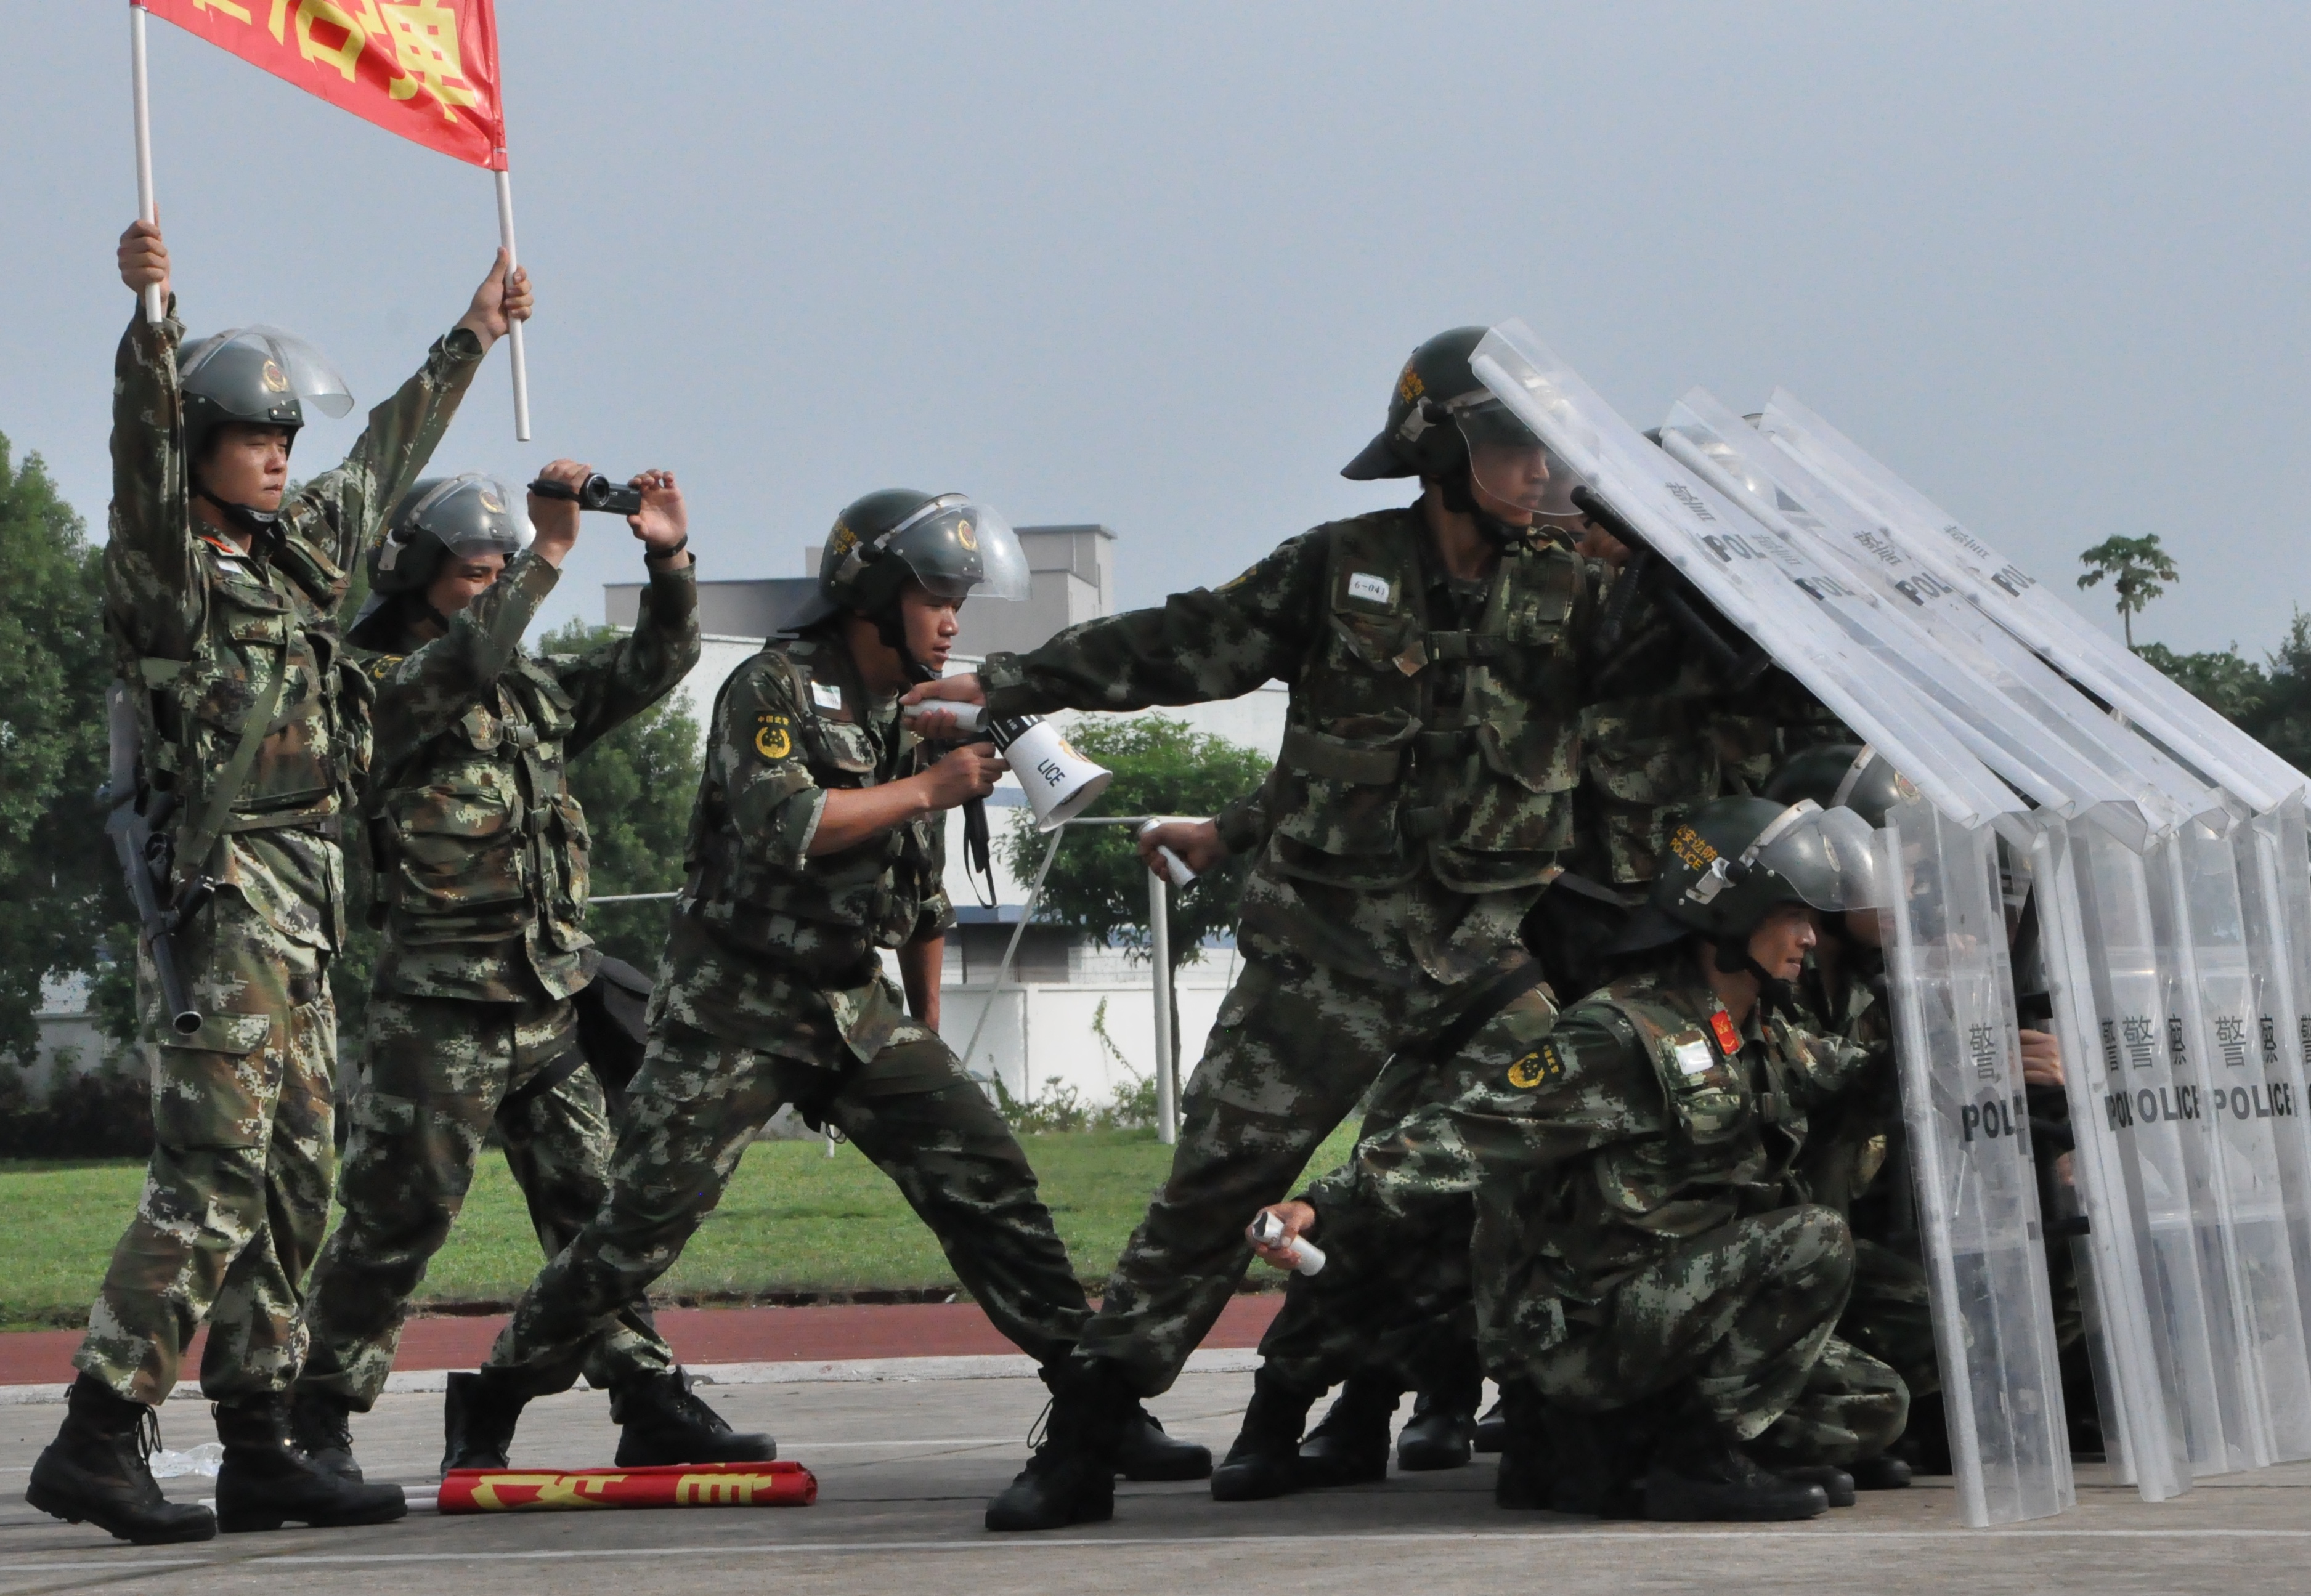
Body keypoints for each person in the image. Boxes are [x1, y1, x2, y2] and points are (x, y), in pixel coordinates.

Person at [906, 327, 1602, 1531]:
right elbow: (1180, 641)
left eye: (1546, 446)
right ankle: (1083, 1436)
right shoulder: (1338, 570)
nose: (1537, 470)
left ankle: (1539, 1411)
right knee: (1212, 1190)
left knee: (1576, 1123)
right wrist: (1017, 682)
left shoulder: (1570, 584)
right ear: (1440, 450)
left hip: (1479, 953)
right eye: (1508, 443)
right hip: (1326, 955)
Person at [445, 490, 1207, 1483]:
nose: (952, 617)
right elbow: (787, 824)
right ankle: (495, 1388)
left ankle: (1092, 1393)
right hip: (735, 1006)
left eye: (959, 597)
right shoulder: (771, 688)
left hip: (854, 1007)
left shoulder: (916, 712)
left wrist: (925, 1040)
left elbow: (922, 898)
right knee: (637, 1226)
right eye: (935, 594)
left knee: (986, 1177)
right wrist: (933, 784)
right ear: (874, 595)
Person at [26, 221, 527, 1544]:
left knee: (303, 1171)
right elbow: (138, 470)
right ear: (199, 441)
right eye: (254, 437)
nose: (281, 457)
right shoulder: (168, 579)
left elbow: (380, 466)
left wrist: (471, 334)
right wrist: (153, 320)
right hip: (222, 899)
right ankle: (96, 1429)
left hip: (303, 910)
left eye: (284, 439)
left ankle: (259, 1435)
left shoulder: (291, 566)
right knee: (213, 1172)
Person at [1253, 796, 1907, 1521]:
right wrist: (1323, 1203)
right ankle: (1693, 1461)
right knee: (1813, 1237)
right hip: (1595, 1318)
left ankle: (1590, 1455)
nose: (1811, 940)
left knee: (1869, 1404)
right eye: (1795, 917)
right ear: (1734, 911)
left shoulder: (1759, 1026)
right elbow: (1474, 1128)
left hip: (1680, 1310)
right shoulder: (1624, 1035)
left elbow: (1851, 1072)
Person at [285, 460, 702, 1481]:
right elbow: (450, 673)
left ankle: (645, 1393)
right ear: (419, 572)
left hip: (545, 997)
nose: (492, 585)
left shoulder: (526, 686)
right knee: (400, 1214)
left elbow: (654, 663)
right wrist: (551, 552)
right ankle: (319, 1416)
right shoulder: (372, 682)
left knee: (595, 1207)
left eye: (498, 569)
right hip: (440, 1009)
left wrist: (668, 560)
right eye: (475, 570)